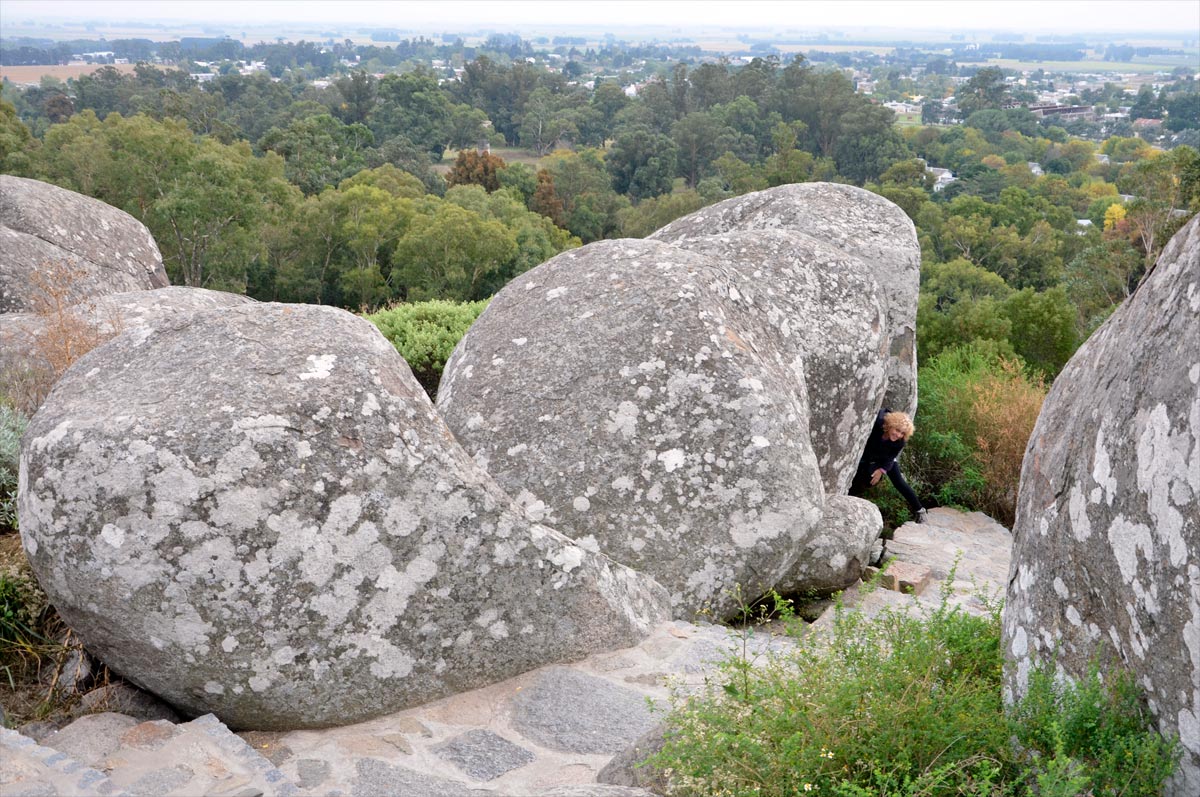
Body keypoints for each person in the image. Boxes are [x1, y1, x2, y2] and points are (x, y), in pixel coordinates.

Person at [849, 408, 927, 524]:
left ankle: (920, 510)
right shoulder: (877, 424)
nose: (898, 435)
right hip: (869, 455)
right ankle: (849, 497)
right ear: (890, 425)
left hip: (885, 458)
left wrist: (882, 470)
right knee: (862, 476)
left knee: (898, 481)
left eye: (902, 433)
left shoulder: (900, 441)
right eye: (897, 430)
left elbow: (891, 457)